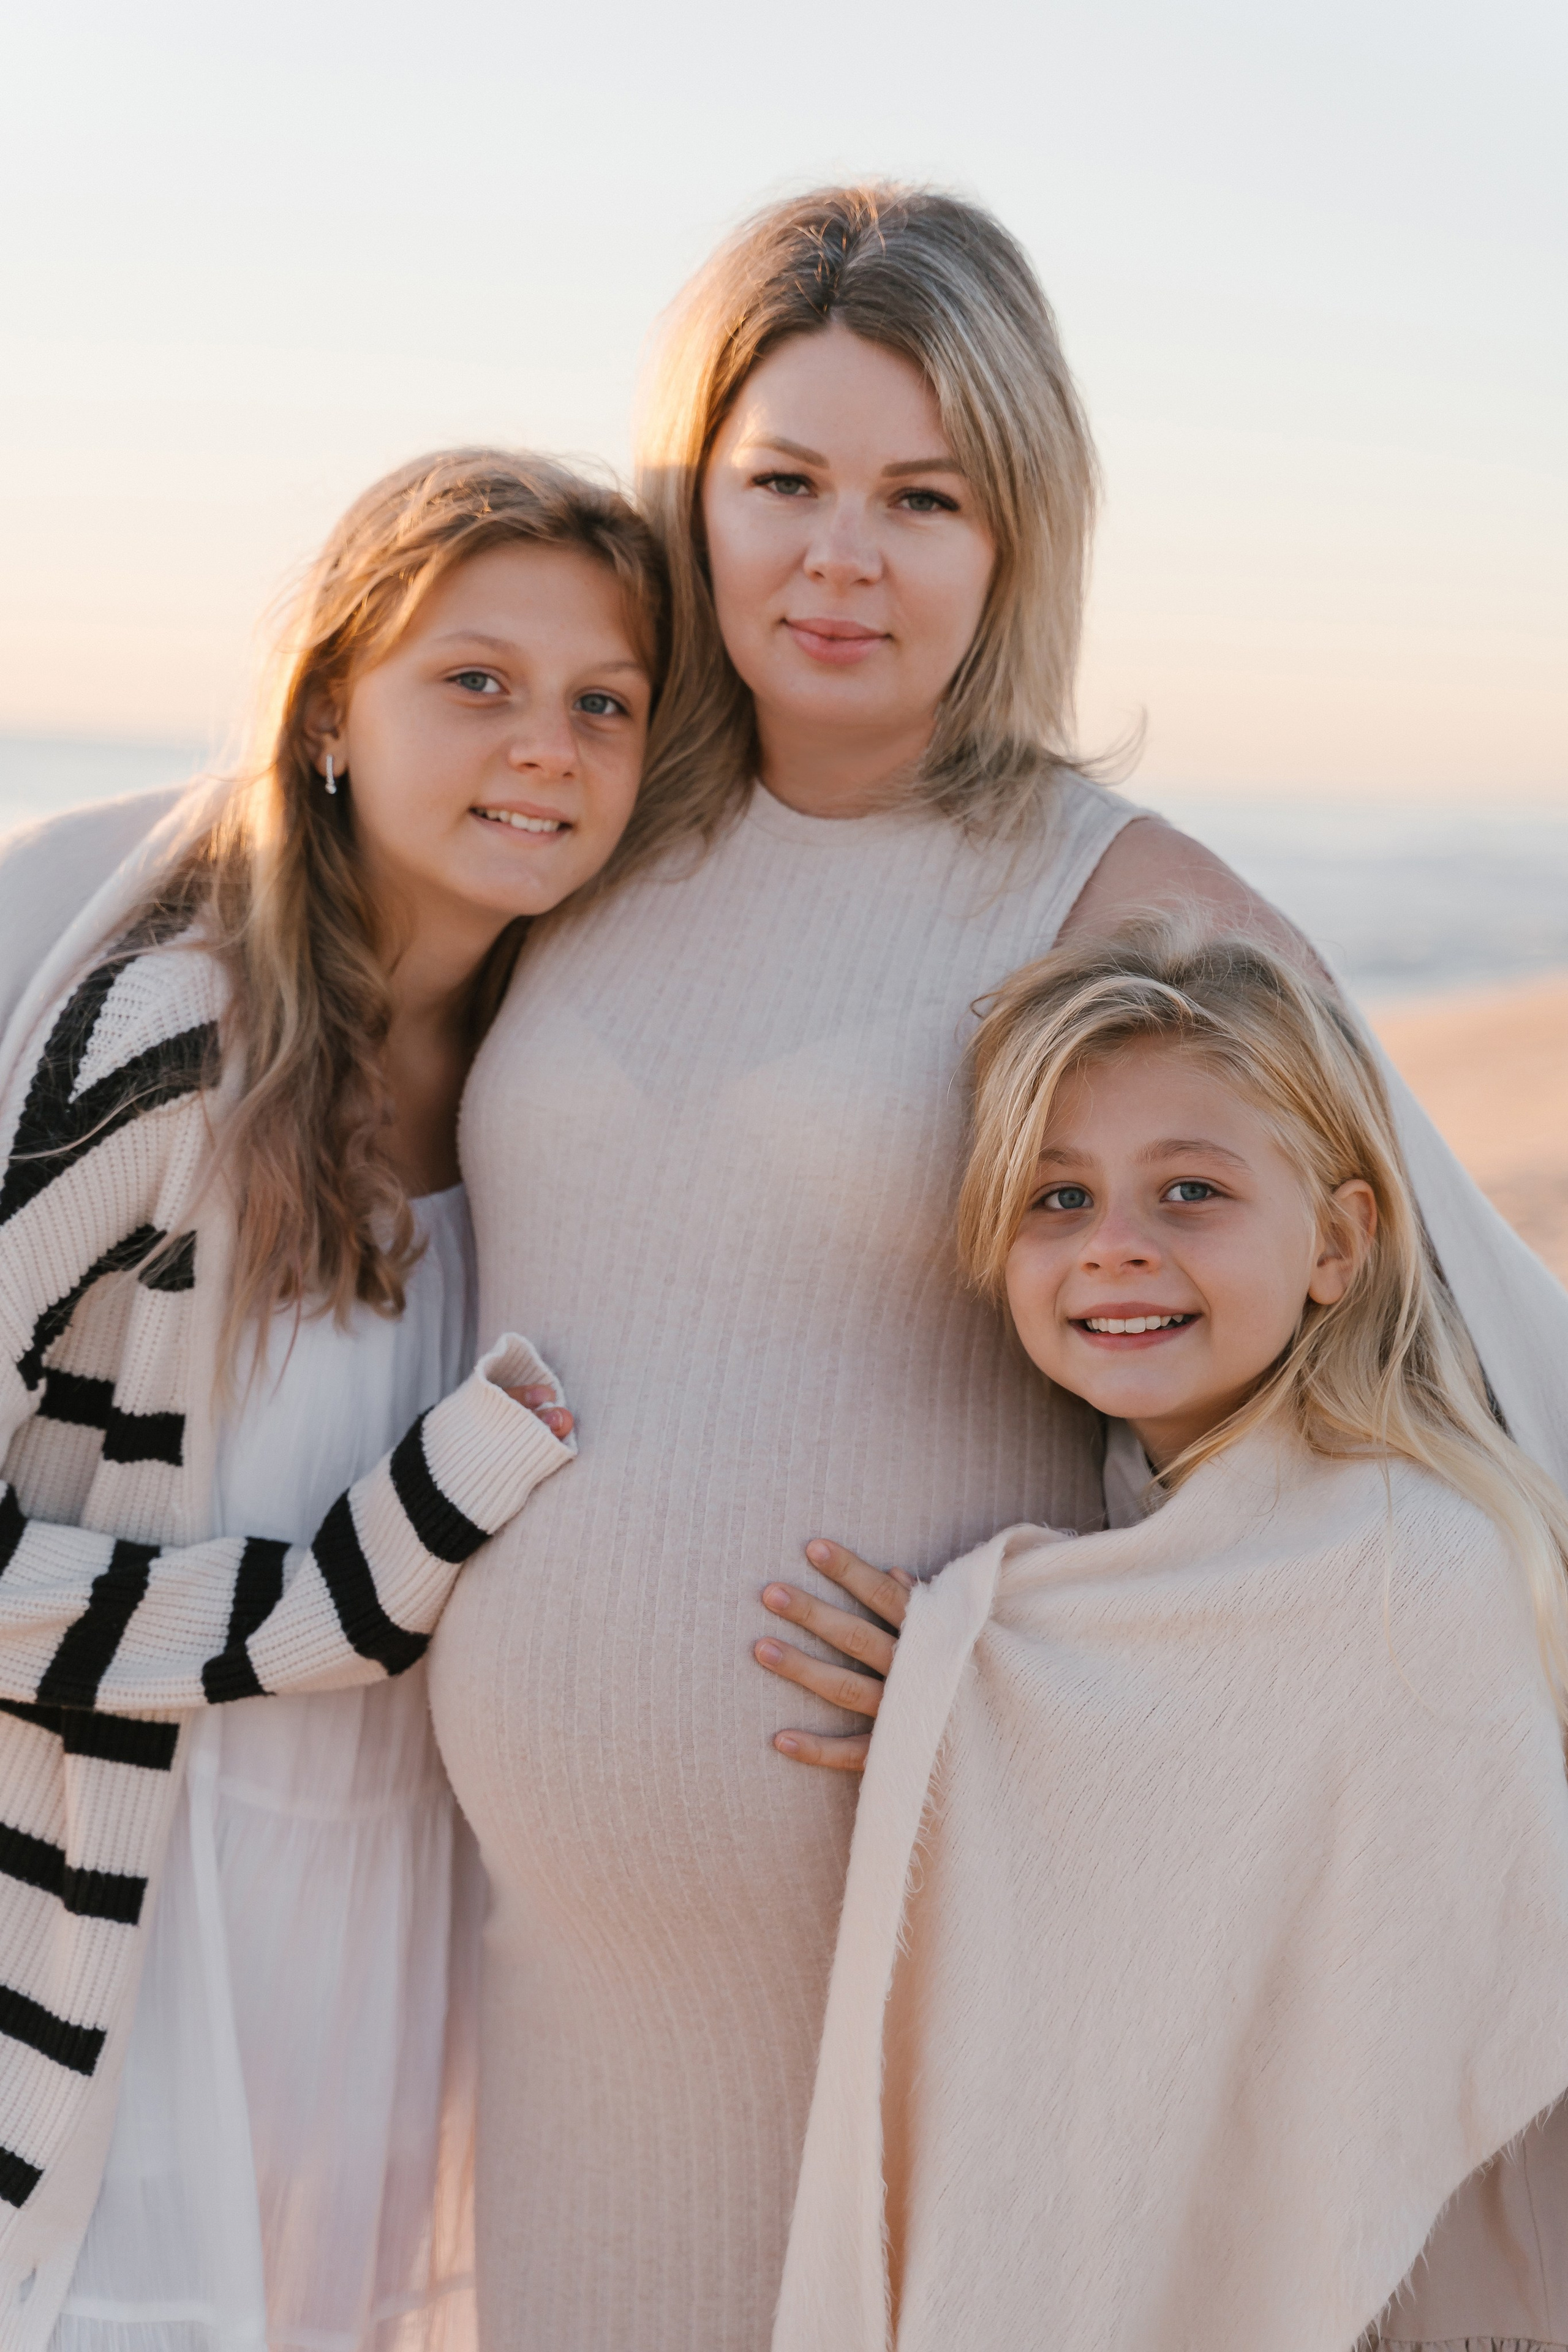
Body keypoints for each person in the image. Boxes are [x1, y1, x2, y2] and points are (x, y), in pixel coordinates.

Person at [423, 181, 1568, 2350]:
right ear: (695, 501)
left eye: (922, 496)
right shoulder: (575, 835)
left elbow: (1412, 1368)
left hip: (893, 1953)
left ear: (1016, 530)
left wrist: (1045, 1660)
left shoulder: (1119, 891)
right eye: (783, 483)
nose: (841, 558)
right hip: (551, 1979)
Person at [0, 447, 666, 2352]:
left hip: (391, 1938)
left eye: (602, 703)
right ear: (327, 712)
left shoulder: (558, 1077)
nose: (545, 743)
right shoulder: (174, 1035)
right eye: (476, 680)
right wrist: (330, 1606)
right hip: (128, 1923)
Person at [763, 922, 1568, 2351]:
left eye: (1189, 1191)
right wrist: (993, 1693)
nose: (1113, 1247)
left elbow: (1441, 2000)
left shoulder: (1416, 1566)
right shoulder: (1139, 1535)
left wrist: (1001, 1694)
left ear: (1335, 1242)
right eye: (1054, 1198)